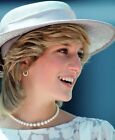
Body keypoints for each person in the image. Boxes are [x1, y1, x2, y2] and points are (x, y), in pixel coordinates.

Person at [0, 1, 114, 140]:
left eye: (80, 54)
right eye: (63, 50)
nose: (77, 66)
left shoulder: (96, 133)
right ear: (25, 61)